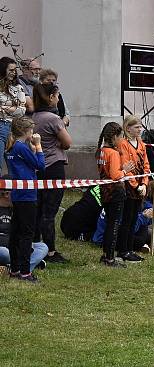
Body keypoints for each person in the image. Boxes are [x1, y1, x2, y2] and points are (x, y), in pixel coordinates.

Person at [32, 82, 71, 264]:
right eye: (56, 96)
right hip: (54, 166)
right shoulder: (53, 119)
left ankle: (36, 244)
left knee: (38, 209)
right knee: (49, 212)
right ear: (50, 98)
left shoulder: (34, 117)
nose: (58, 99)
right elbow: (67, 142)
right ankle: (50, 251)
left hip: (38, 166)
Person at [6, 117, 45, 281]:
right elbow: (40, 165)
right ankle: (25, 271)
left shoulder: (12, 147)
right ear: (26, 131)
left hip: (17, 194)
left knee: (16, 232)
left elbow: (28, 165)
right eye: (32, 130)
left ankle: (15, 269)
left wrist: (32, 150)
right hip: (27, 195)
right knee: (27, 233)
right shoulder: (21, 147)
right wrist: (38, 145)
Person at [117, 115, 151, 262]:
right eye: (137, 127)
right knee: (127, 219)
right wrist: (136, 186)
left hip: (140, 186)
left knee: (134, 218)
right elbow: (126, 166)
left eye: (140, 126)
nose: (140, 129)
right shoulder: (123, 144)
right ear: (128, 128)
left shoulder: (141, 143)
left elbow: (146, 165)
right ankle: (123, 250)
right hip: (129, 187)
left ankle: (129, 249)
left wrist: (144, 183)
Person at [95, 122, 129, 268]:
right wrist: (125, 170)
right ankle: (110, 258)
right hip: (115, 191)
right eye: (120, 137)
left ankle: (105, 254)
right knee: (114, 224)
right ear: (115, 136)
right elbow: (115, 175)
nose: (122, 140)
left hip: (105, 191)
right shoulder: (113, 153)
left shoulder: (101, 150)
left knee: (109, 222)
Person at [0, 179, 46, 274]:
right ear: (6, 194)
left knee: (43, 247)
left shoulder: (17, 210)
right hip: (3, 248)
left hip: (19, 247)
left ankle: (17, 268)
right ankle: (24, 265)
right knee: (4, 252)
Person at [0, 57, 27, 174]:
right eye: (10, 70)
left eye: (15, 70)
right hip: (1, 126)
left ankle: (14, 192)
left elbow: (22, 111)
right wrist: (14, 108)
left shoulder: (18, 87)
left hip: (14, 129)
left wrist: (4, 108)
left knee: (14, 166)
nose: (14, 73)